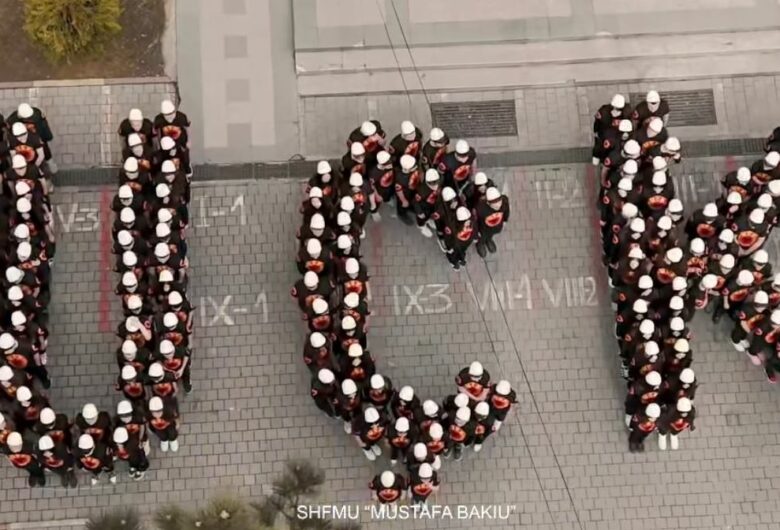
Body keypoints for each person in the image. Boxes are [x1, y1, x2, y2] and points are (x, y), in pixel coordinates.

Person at [475, 187, 510, 257]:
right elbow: (476, 221)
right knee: (482, 237)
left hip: (496, 226)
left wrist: (505, 220)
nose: (498, 205)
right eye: (494, 203)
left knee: (491, 235)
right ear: (488, 203)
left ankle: (489, 240)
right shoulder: (480, 208)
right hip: (483, 229)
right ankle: (480, 244)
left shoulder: (504, 202)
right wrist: (477, 232)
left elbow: (506, 211)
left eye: (499, 201)